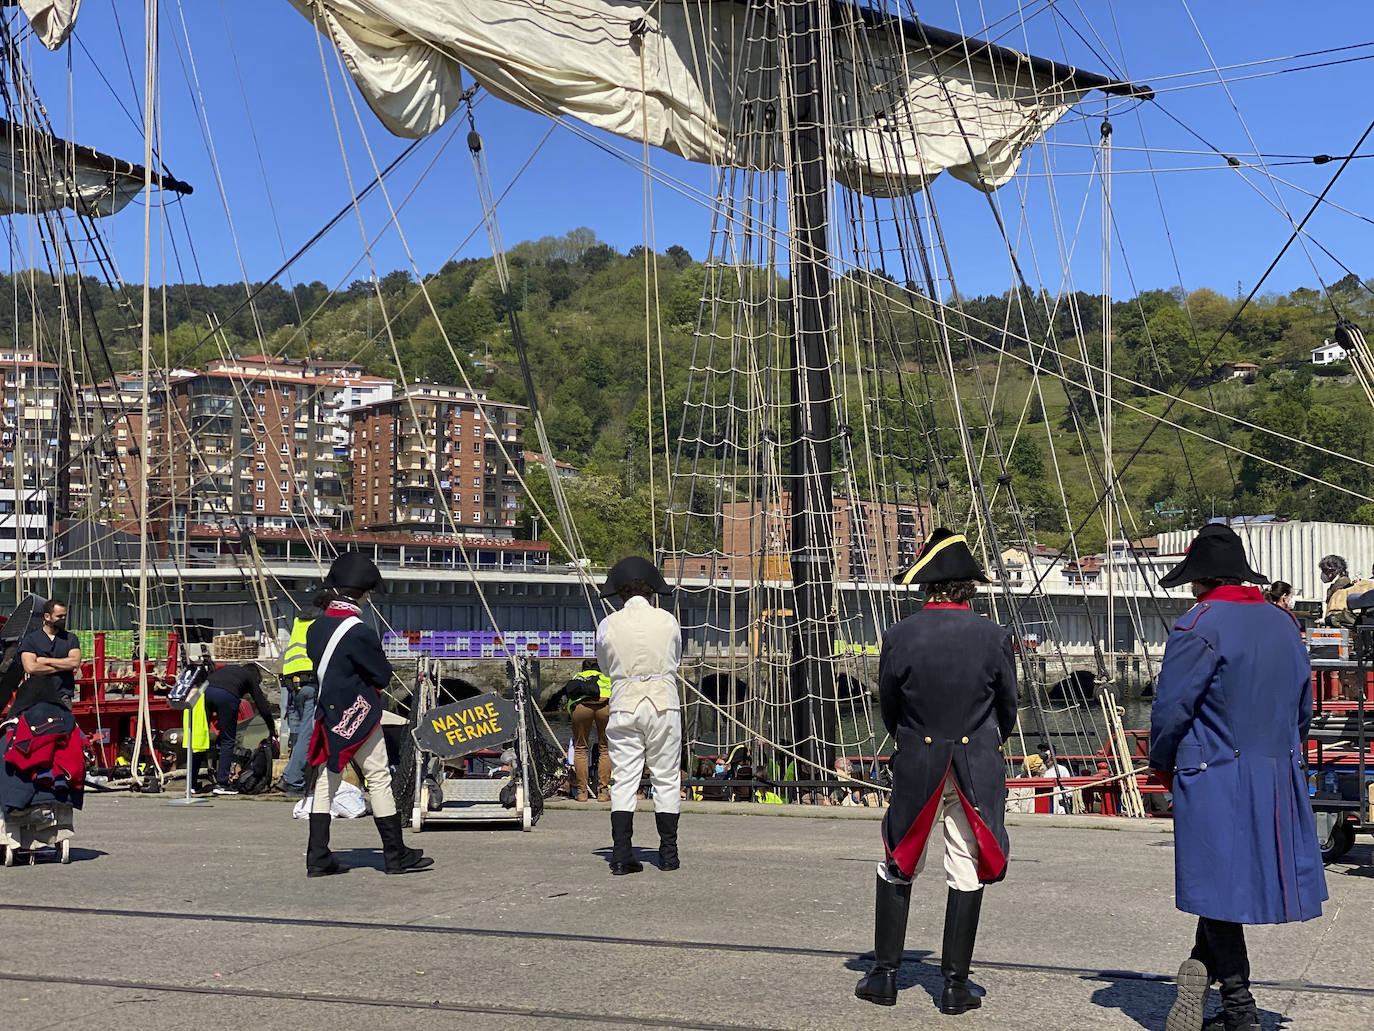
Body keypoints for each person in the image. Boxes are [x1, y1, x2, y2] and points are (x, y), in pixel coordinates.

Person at [1151, 524, 1327, 1031]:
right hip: (1274, 768)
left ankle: (1239, 1007)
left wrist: (1162, 762)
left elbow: (1172, 709)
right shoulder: (1283, 623)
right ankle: (1206, 978)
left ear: (1200, 579)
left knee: (1216, 886)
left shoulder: (1198, 625)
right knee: (1225, 887)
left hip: (1213, 771)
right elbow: (1303, 707)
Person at [856, 529, 1017, 1014]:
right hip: (974, 761)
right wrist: (985, 743)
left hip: (918, 759)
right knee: (964, 863)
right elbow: (1007, 707)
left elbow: (889, 705)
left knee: (899, 856)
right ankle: (954, 986)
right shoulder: (993, 636)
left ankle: (884, 977)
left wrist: (913, 739)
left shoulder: (900, 635)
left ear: (928, 585)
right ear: (969, 586)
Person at [304, 551, 433, 877]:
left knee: (325, 783)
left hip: (327, 714)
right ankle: (395, 854)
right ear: (362, 592)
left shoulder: (315, 627)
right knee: (378, 778)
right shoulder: (359, 630)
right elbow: (381, 676)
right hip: (358, 715)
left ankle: (317, 856)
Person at [596, 555, 681, 875]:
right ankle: (669, 854)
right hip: (663, 702)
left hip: (624, 702)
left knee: (625, 779)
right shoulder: (668, 620)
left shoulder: (608, 624)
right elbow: (676, 655)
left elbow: (604, 666)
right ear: (651, 592)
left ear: (620, 593)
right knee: (666, 777)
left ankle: (621, 855)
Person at [275, 594, 325, 799]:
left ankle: (295, 776)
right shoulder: (322, 620)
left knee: (297, 733)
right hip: (311, 681)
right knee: (308, 734)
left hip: (292, 682)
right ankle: (293, 780)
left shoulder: (299, 620)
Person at [202, 662, 277, 796]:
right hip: (226, 695)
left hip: (205, 692)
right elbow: (262, 706)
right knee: (228, 740)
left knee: (201, 736)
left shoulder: (229, 669)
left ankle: (193, 782)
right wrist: (271, 728)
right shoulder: (250, 677)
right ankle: (222, 783)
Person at [563, 658, 613, 801]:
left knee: (580, 749)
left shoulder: (578, 677)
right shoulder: (605, 677)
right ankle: (603, 792)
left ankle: (582, 793)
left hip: (581, 708)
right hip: (604, 708)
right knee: (605, 749)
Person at [19, 599, 82, 706]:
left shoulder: (71, 638)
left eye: (65, 616)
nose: (63, 619)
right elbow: (31, 668)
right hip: (37, 697)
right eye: (59, 616)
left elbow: (75, 663)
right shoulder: (30, 639)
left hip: (63, 697)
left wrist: (43, 660)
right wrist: (63, 666)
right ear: (47, 616)